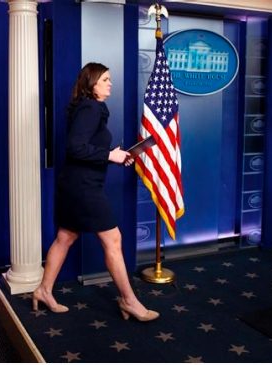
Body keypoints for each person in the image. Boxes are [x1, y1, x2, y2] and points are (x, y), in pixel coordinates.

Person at [32, 63, 159, 322]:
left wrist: (115, 155)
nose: (110, 83)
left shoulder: (87, 108)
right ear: (92, 84)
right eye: (105, 79)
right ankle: (129, 300)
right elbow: (74, 147)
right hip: (83, 188)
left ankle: (44, 291)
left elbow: (85, 147)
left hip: (76, 185)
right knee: (112, 240)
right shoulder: (91, 107)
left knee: (65, 237)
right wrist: (109, 155)